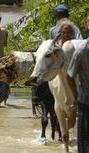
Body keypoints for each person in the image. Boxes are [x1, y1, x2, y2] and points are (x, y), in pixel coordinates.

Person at [67, 16, 89, 153]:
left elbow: (69, 76)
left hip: (85, 101)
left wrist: (75, 95)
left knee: (84, 141)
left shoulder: (81, 51)